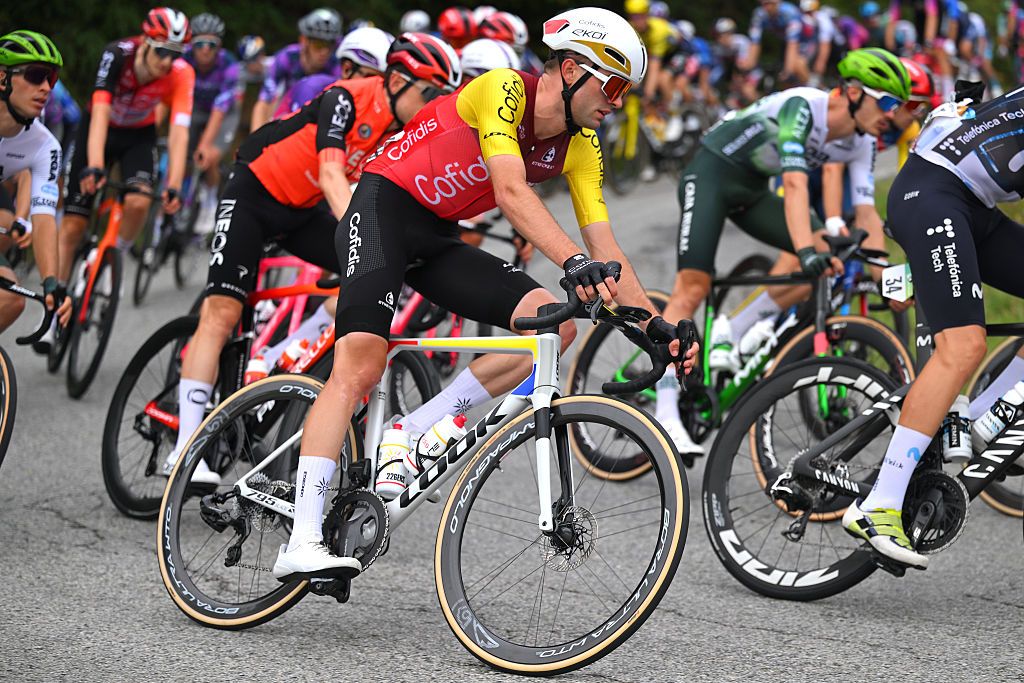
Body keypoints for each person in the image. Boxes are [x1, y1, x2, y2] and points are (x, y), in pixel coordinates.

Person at [272, 7, 698, 580]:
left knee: (557, 324)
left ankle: (413, 428)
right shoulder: (503, 90)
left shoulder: (581, 145)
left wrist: (656, 328)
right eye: (614, 84)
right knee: (361, 365)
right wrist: (572, 261)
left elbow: (609, 251)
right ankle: (301, 537)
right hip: (380, 210)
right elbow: (509, 189)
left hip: (438, 236)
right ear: (571, 70)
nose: (618, 101)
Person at [164, 33, 462, 485]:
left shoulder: (402, 130)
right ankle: (186, 451)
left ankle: (284, 353)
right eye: (431, 94)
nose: (434, 105)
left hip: (300, 212)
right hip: (253, 193)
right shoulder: (346, 97)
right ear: (398, 79)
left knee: (363, 276)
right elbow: (330, 172)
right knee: (222, 313)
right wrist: (364, 234)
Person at [653, 48, 909, 456]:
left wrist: (883, 273)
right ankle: (665, 410)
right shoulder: (802, 107)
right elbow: (793, 186)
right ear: (856, 92)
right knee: (693, 286)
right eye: (889, 102)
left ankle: (733, 330)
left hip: (752, 188)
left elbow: (866, 213)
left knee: (829, 257)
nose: (894, 115)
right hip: (712, 174)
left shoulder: (862, 142)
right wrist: (805, 249)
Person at [845, 84, 1024, 568]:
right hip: (932, 196)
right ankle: (878, 502)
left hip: (971, 205)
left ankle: (985, 415)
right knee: (963, 347)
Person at [57, 8, 194, 305]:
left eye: (176, 54)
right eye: (161, 51)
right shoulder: (117, 55)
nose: (168, 61)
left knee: (139, 200)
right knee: (72, 226)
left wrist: (174, 183)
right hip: (98, 129)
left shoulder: (182, 74)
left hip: (137, 136)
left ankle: (111, 258)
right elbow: (100, 111)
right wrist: (94, 166)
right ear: (145, 41)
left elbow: (179, 132)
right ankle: (53, 302)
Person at [0, 31, 71, 334]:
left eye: (51, 78)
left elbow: (44, 218)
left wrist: (51, 281)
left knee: (11, 299)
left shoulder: (45, 146)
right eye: (36, 75)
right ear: (2, 79)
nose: (46, 87)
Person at [184, 13, 237, 230]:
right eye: (200, 43)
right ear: (191, 45)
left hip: (224, 113)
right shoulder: (183, 59)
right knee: (183, 154)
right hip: (194, 108)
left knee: (209, 156)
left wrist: (206, 144)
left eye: (211, 44)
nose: (205, 49)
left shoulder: (230, 65)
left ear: (219, 46)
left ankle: (209, 198)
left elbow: (220, 110)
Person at [250, 8, 342, 130]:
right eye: (319, 44)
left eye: (330, 45)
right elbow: (264, 102)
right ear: (304, 40)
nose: (324, 52)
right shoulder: (287, 57)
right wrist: (254, 142)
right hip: (289, 109)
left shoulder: (336, 66)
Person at [743, 0, 809, 84]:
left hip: (805, 41)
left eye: (770, 4)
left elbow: (792, 43)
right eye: (764, 4)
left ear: (778, 3)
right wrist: (749, 65)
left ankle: (813, 88)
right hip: (785, 41)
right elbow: (754, 41)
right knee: (783, 79)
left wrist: (788, 70)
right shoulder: (759, 14)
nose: (767, 8)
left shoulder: (789, 12)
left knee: (797, 65)